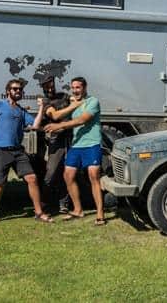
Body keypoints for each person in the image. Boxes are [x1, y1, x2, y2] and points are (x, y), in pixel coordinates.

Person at [0, 79, 52, 223]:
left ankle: (39, 213)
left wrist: (41, 108)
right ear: (8, 91)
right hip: (1, 150)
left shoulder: (21, 111)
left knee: (32, 178)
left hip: (18, 152)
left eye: (20, 89)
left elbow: (34, 125)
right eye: (15, 89)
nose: (18, 91)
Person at [44, 76, 106, 226]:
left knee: (93, 176)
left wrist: (59, 126)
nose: (75, 90)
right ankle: (78, 210)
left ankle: (100, 214)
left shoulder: (93, 102)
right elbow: (58, 115)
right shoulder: (73, 102)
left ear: (84, 87)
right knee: (68, 175)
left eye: (78, 87)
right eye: (73, 88)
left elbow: (82, 120)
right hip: (77, 145)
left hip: (92, 144)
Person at [39, 76, 72, 213]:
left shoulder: (64, 96)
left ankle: (64, 204)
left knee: (68, 172)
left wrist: (74, 103)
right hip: (56, 140)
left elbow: (76, 102)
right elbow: (55, 116)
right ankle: (43, 202)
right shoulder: (45, 101)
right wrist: (73, 107)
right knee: (51, 173)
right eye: (46, 86)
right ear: (43, 87)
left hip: (71, 137)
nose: (50, 88)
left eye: (51, 85)